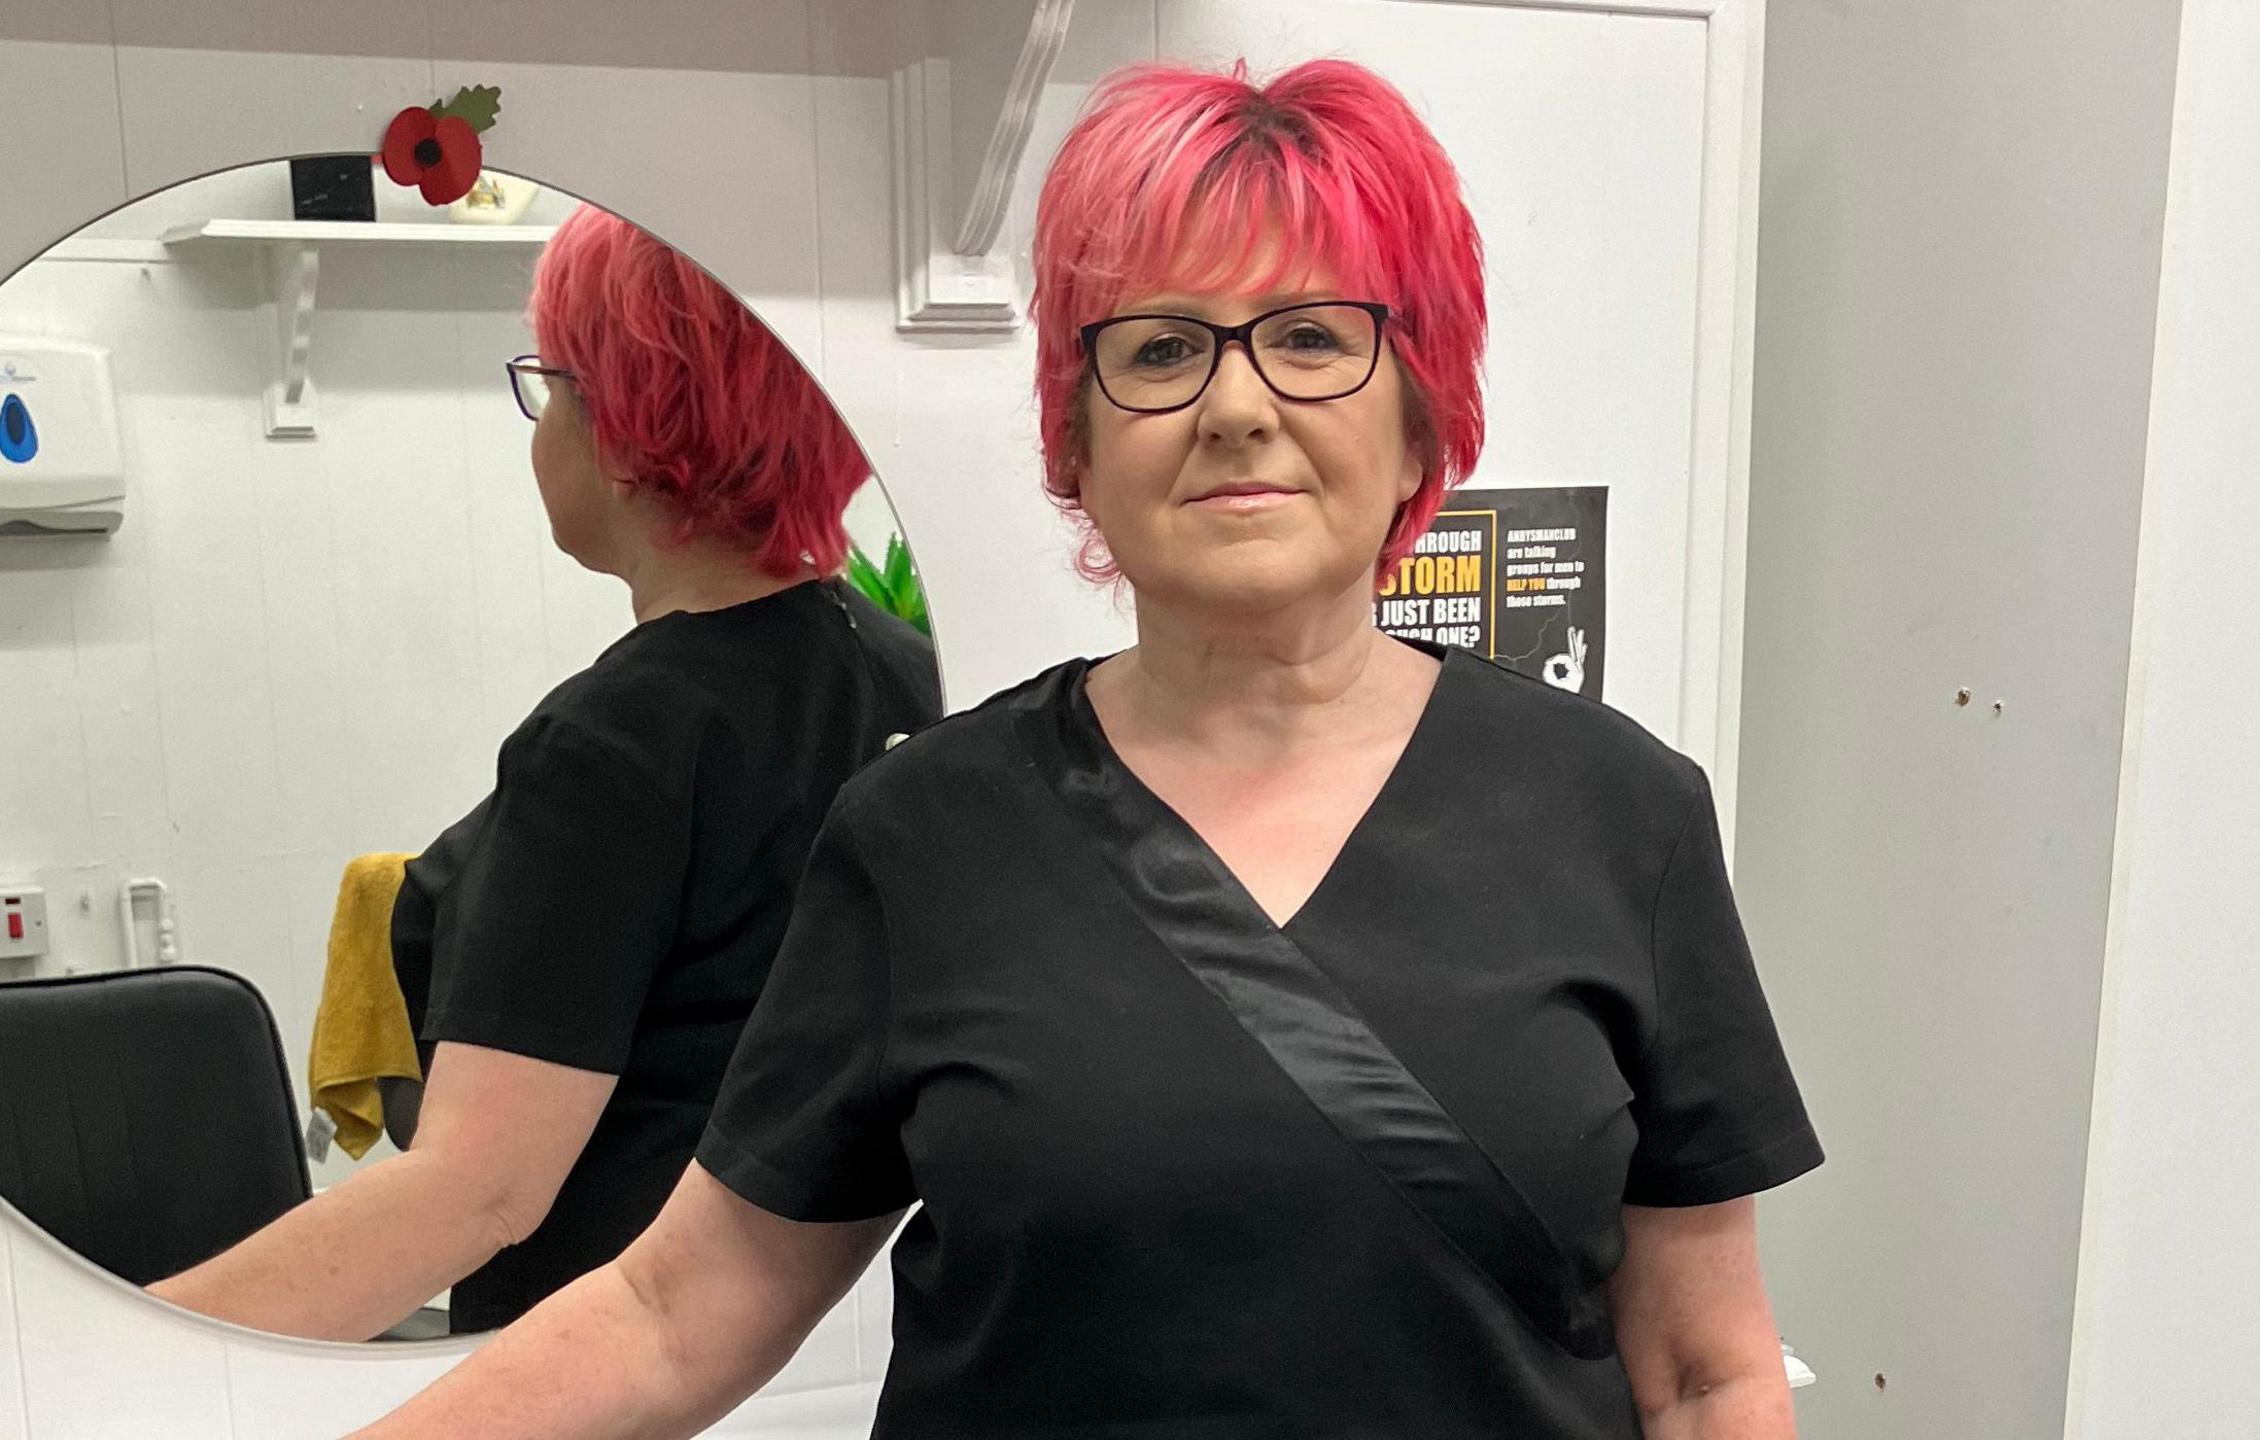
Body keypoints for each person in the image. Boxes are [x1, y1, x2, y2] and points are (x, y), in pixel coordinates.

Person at [358, 59, 1818, 1439]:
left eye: (1314, 337)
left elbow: (1706, 1372)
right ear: (1076, 435)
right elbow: (677, 1315)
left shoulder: (1620, 814)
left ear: (1426, 409)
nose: (1238, 405)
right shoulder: (924, 830)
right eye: (1163, 348)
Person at [147, 204, 940, 1341]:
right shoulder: (906, 670)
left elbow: (478, 1193)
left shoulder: (619, 739)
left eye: (550, 389)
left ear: (623, 434)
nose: (541, 428)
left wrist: (134, 1356)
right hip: (810, 1319)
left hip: (601, 1341)